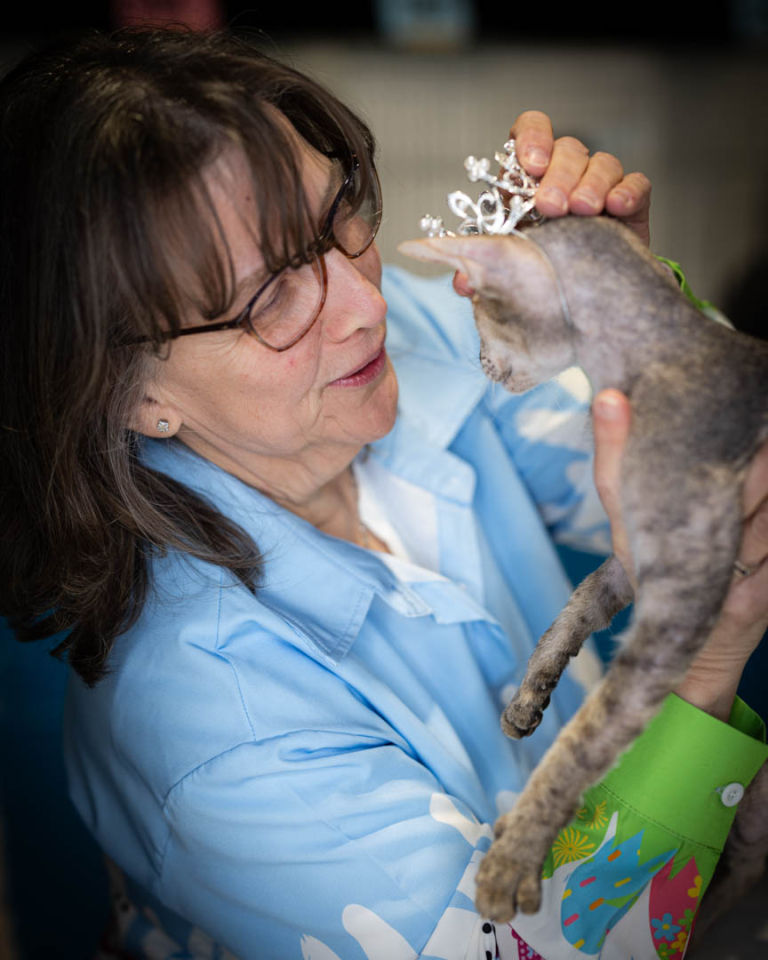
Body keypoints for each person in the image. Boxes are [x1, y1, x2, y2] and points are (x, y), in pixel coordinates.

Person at [1, 28, 767, 960]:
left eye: (338, 220)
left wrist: (632, 321)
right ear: (126, 389)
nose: (369, 304)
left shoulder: (408, 345)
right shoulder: (213, 728)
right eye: (267, 299)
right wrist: (702, 664)